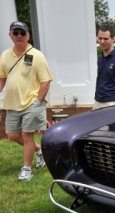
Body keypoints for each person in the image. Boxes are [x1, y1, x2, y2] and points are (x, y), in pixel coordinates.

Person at [0, 21, 53, 181]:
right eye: (15, 33)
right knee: (12, 135)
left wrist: (38, 102)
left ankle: (27, 169)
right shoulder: (5, 56)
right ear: (10, 35)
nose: (19, 36)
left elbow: (46, 81)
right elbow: (2, 77)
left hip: (31, 102)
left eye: (22, 33)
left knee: (27, 135)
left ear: (28, 35)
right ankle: (39, 151)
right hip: (12, 104)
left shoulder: (37, 55)